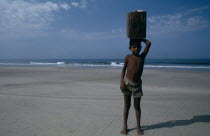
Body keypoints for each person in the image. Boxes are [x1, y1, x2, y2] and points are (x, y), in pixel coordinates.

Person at [120, 38, 151, 135]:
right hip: (127, 84)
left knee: (137, 107)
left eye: (138, 47)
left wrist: (140, 37)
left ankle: (138, 126)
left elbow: (149, 43)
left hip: (137, 85)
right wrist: (121, 82)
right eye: (134, 47)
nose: (137, 48)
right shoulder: (128, 57)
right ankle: (125, 126)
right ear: (130, 48)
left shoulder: (142, 57)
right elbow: (123, 70)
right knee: (126, 106)